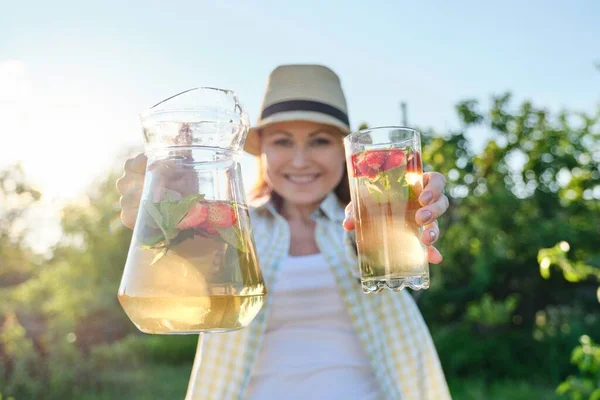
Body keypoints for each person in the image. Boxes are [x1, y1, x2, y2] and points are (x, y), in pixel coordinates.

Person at [116, 64, 451, 400]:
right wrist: (168, 210)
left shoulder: (366, 217)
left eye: (319, 141)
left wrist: (411, 219)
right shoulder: (232, 226)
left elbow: (368, 256)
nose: (301, 160)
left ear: (345, 151)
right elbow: (186, 278)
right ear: (263, 152)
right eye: (283, 142)